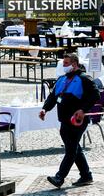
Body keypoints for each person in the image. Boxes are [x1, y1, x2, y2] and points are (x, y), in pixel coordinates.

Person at [39, 54, 100, 188]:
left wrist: (83, 110)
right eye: (63, 63)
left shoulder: (84, 79)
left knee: (71, 150)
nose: (64, 66)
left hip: (77, 121)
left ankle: (60, 177)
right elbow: (52, 97)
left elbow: (96, 95)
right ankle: (86, 175)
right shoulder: (61, 79)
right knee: (74, 148)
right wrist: (45, 109)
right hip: (64, 121)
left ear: (75, 64)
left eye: (66, 63)